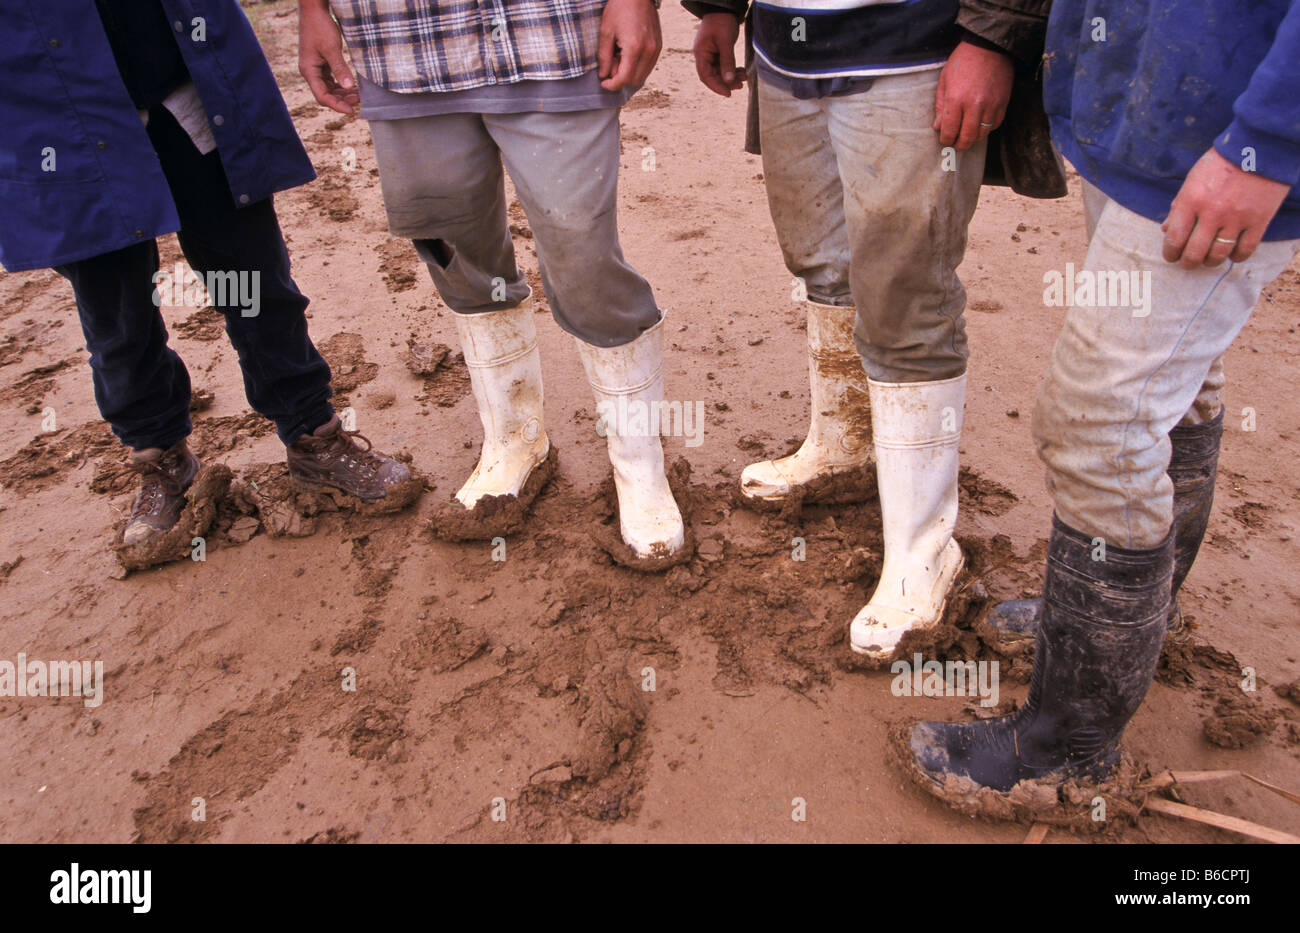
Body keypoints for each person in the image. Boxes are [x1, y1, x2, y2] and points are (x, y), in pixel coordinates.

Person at [901, 0, 1300, 810]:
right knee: (1172, 391)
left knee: (1100, 424)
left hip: (1229, 131)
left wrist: (1273, 138)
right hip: (1146, 106)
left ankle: (1066, 750)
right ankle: (1156, 615)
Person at [686, 0, 1063, 655]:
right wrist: (719, 6)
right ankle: (845, 442)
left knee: (907, 293)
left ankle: (924, 554)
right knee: (819, 261)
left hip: (920, 40)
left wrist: (994, 35)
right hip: (786, 45)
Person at [0, 0, 416, 552]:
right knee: (117, 316)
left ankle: (313, 437)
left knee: (253, 284)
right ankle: (162, 461)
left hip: (188, 95)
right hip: (59, 127)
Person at [298, 0, 686, 561]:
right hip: (401, 42)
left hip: (547, 34)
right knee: (452, 251)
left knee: (583, 254)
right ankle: (515, 439)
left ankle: (639, 464)